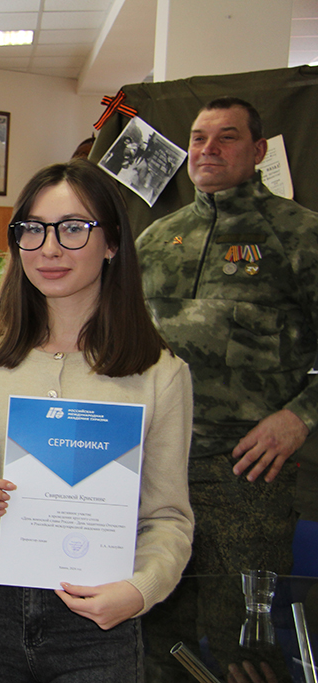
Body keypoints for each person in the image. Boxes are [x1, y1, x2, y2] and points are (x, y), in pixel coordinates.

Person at [0, 159, 194, 682]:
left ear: (112, 243)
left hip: (100, 615)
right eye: (33, 229)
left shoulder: (160, 374)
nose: (50, 248)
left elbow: (168, 517)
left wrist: (139, 590)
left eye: (73, 228)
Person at [136, 97, 318, 678]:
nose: (208, 150)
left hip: (246, 477)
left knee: (242, 645)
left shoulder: (300, 236)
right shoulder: (157, 239)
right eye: (198, 138)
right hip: (156, 467)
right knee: (151, 635)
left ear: (259, 150)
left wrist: (300, 416)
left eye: (227, 137)